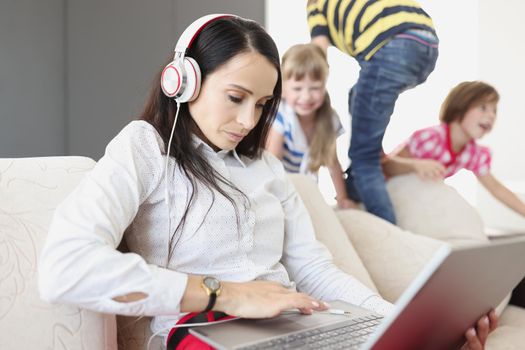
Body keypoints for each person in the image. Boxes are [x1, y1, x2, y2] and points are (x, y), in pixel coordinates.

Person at [38, 14, 495, 350]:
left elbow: (313, 270)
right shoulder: (146, 147)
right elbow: (65, 266)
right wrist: (229, 294)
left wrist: (399, 324)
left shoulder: (266, 168)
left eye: (261, 104)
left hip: (295, 326)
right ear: (183, 81)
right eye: (235, 97)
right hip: (204, 332)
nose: (247, 120)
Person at [307, 0, 439, 224]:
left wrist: (308, 97)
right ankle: (366, 166)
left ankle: (391, 236)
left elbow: (318, 56)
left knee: (364, 159)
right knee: (357, 94)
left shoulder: (316, 4)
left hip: (391, 44)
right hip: (427, 43)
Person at [383, 81, 525, 218]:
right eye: (483, 108)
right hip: (383, 194)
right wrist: (415, 165)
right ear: (460, 108)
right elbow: (387, 166)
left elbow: (496, 188)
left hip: (413, 203)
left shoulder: (473, 153)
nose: (492, 115)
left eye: (494, 110)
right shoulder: (431, 138)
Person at [266, 43, 356, 209]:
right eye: (297, 88)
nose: (306, 96)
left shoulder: (329, 119)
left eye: (315, 88)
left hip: (308, 192)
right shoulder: (281, 117)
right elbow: (273, 163)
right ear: (283, 89)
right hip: (281, 188)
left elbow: (333, 164)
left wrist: (342, 198)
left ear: (324, 86)